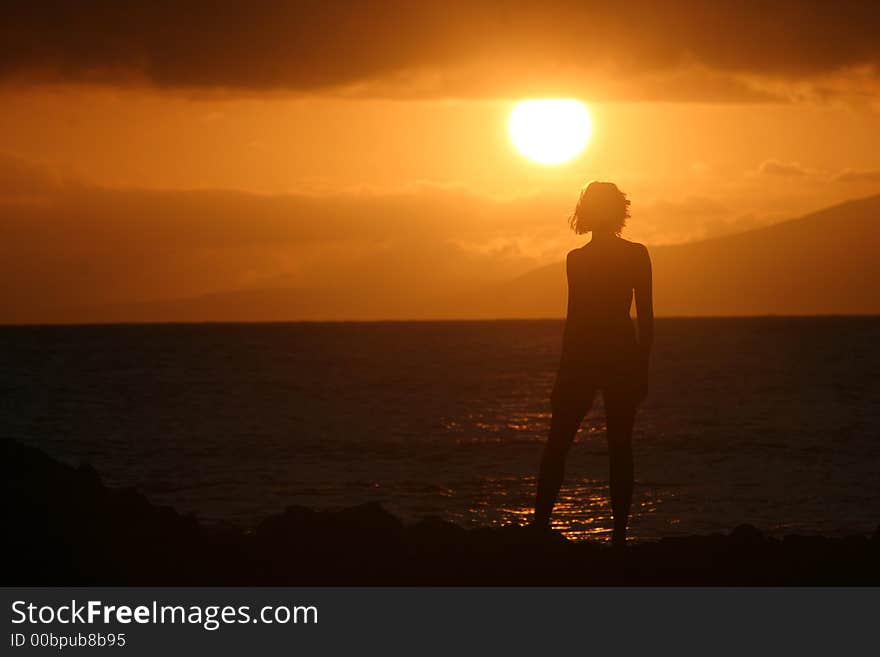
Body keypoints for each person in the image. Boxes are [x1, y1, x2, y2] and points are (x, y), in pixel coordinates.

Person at [533, 181, 653, 548]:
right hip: (614, 354)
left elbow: (579, 319)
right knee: (615, 445)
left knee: (562, 442)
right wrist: (641, 367)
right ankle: (616, 536)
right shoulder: (629, 255)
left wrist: (564, 373)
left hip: (590, 356)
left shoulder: (583, 259)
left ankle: (543, 528)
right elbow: (644, 319)